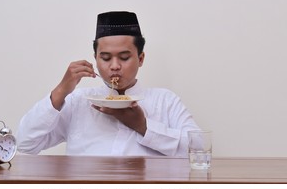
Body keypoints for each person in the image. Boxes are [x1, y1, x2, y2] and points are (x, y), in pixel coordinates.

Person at [16, 11, 200, 156]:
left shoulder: (165, 100)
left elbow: (199, 149)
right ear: (95, 58)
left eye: (125, 57)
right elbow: (25, 144)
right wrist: (60, 91)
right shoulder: (78, 101)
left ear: (141, 58)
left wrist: (143, 126)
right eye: (105, 58)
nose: (114, 66)